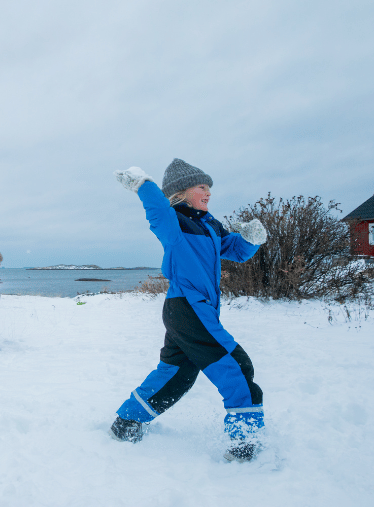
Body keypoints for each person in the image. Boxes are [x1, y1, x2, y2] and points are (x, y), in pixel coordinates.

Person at [111, 159, 268, 462]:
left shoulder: (208, 225)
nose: (208, 193)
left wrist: (251, 239)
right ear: (182, 192)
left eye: (209, 187)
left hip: (189, 309)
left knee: (177, 375)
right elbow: (157, 212)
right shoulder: (175, 223)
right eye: (202, 187)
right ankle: (245, 445)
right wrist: (144, 185)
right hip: (189, 306)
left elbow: (233, 249)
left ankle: (127, 422)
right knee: (237, 367)